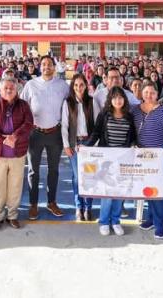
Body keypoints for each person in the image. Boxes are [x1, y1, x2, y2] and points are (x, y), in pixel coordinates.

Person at [20, 55, 70, 219]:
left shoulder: (62, 85)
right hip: (35, 133)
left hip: (55, 133)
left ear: (54, 67)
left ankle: (51, 202)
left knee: (53, 170)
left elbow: (70, 107)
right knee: (33, 171)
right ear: (39, 67)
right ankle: (33, 204)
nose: (46, 66)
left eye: (49, 64)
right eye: (43, 64)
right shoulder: (31, 84)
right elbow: (22, 106)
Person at [0, 78, 33, 230]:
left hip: (17, 154)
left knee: (15, 186)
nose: (9, 90)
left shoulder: (23, 105)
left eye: (12, 87)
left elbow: (28, 124)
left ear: (17, 89)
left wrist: (15, 136)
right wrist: (1, 140)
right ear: (0, 89)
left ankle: (12, 215)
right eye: (6, 88)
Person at [86, 86, 137, 236]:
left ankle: (115, 221)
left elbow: (133, 137)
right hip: (107, 160)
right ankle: (104, 221)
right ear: (110, 99)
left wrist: (135, 146)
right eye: (114, 97)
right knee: (107, 193)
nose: (118, 100)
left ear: (124, 99)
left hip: (123, 159)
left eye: (120, 97)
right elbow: (95, 133)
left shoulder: (129, 116)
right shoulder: (104, 115)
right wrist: (86, 146)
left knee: (119, 193)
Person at [133, 81, 163, 240]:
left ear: (157, 94)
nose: (149, 95)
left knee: (155, 191)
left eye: (152, 93)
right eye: (146, 92)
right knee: (148, 189)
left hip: (160, 158)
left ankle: (160, 224)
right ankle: (151, 218)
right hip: (142, 157)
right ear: (142, 93)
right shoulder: (136, 110)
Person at [61, 73, 95, 221]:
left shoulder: (92, 102)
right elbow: (64, 126)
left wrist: (95, 144)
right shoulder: (68, 102)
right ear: (72, 86)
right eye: (76, 85)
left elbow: (97, 124)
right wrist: (66, 145)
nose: (79, 88)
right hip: (75, 144)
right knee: (77, 177)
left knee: (90, 176)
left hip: (89, 144)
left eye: (81, 85)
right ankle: (78, 207)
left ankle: (88, 207)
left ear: (86, 86)